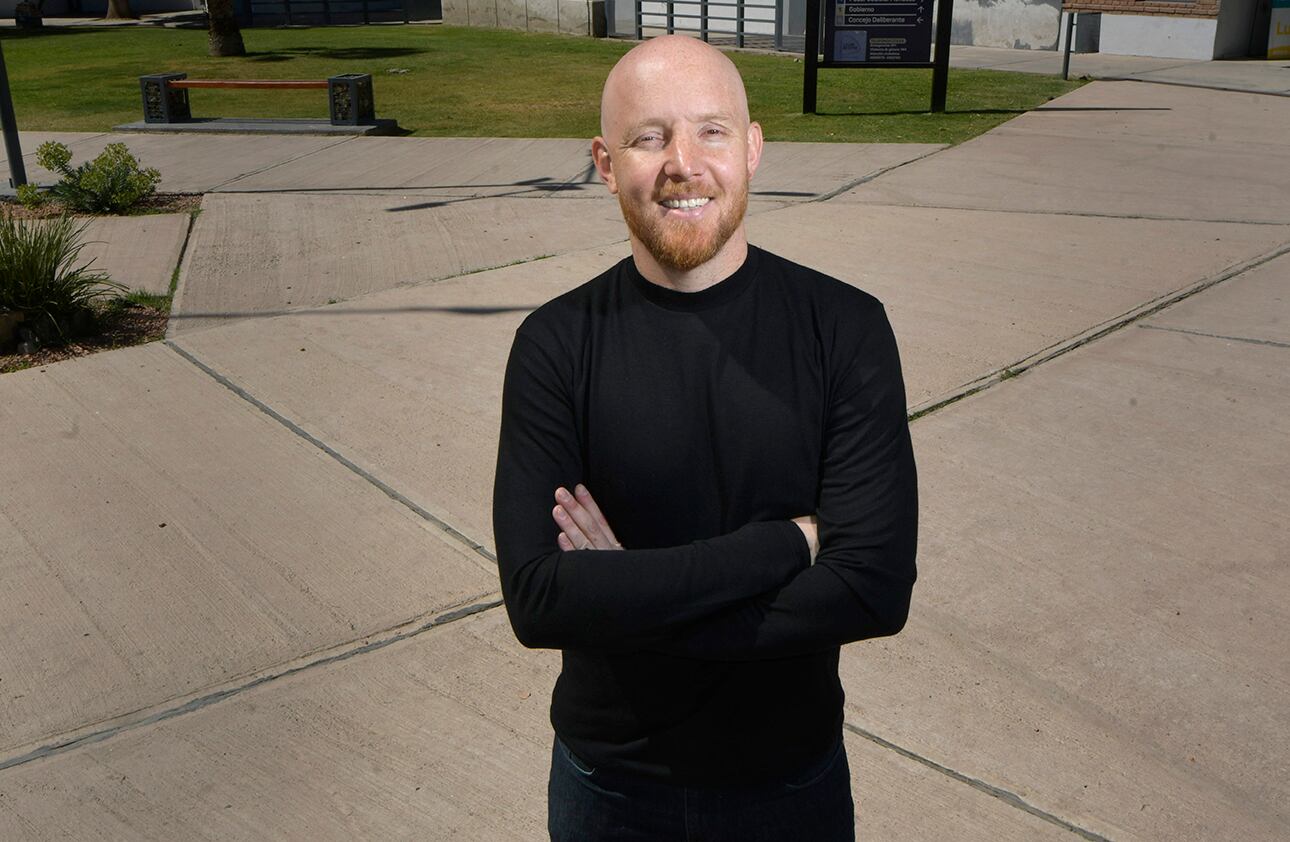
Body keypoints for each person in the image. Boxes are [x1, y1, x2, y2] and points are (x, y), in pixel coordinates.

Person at [492, 34, 918, 841]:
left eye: (712, 131)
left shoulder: (846, 330)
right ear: (606, 162)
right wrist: (788, 544)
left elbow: (874, 590)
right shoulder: (555, 344)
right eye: (649, 137)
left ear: (753, 148)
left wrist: (624, 597)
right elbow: (542, 601)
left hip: (790, 784)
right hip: (609, 787)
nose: (683, 162)